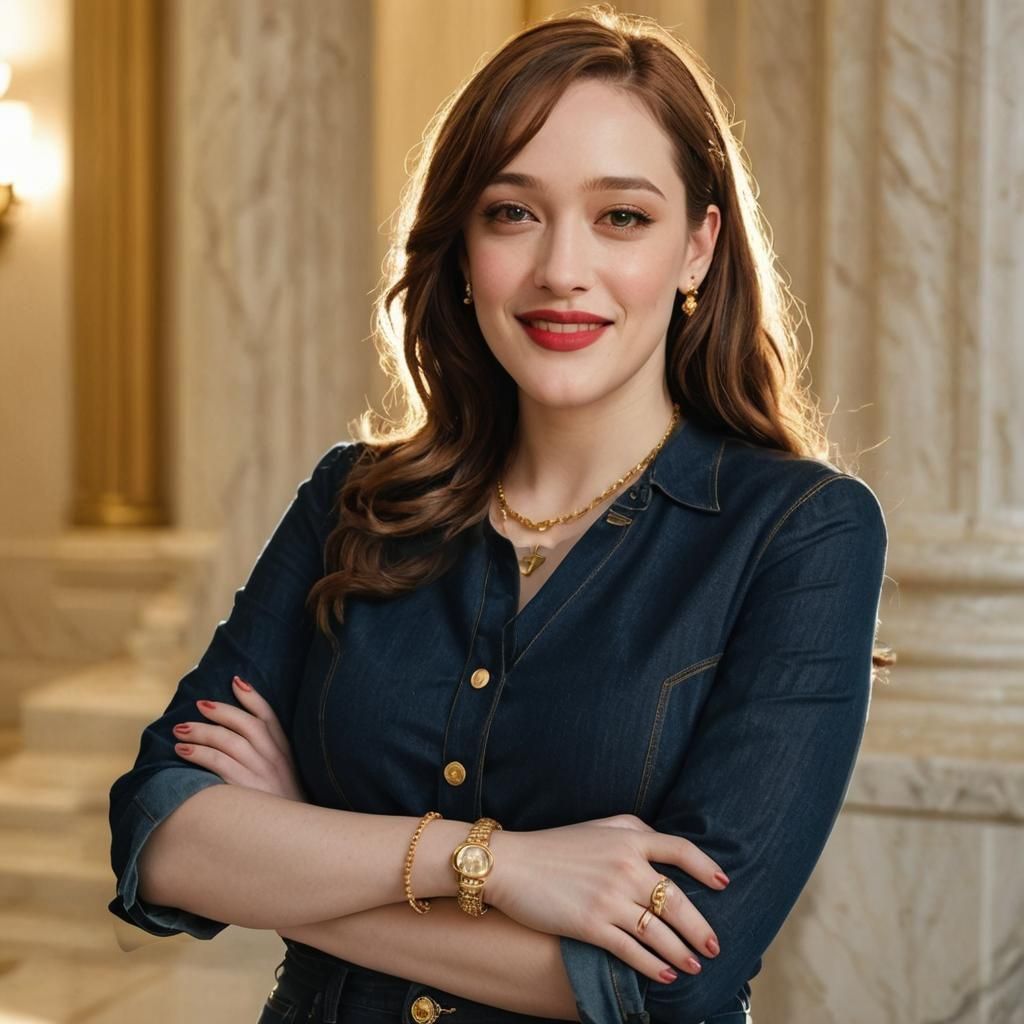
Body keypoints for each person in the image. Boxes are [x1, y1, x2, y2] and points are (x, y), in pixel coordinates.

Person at [107, 5, 892, 1023]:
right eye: (512, 211)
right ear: (463, 246)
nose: (561, 267)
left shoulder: (801, 533)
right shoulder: (351, 499)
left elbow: (672, 979)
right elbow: (161, 839)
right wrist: (496, 865)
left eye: (622, 216)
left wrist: (296, 846)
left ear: (697, 248)